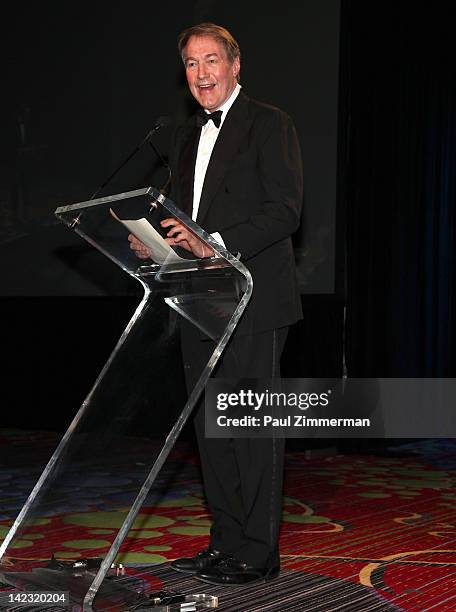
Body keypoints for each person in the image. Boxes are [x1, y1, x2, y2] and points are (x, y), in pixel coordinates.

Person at [129, 23, 303, 585]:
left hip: (254, 298)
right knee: (212, 431)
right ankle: (226, 541)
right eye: (190, 64)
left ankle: (258, 550)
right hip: (197, 298)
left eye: (211, 61)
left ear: (234, 66)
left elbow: (285, 211)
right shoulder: (181, 137)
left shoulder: (269, 123)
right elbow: (182, 215)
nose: (200, 73)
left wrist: (217, 243)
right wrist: (154, 239)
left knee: (251, 430)